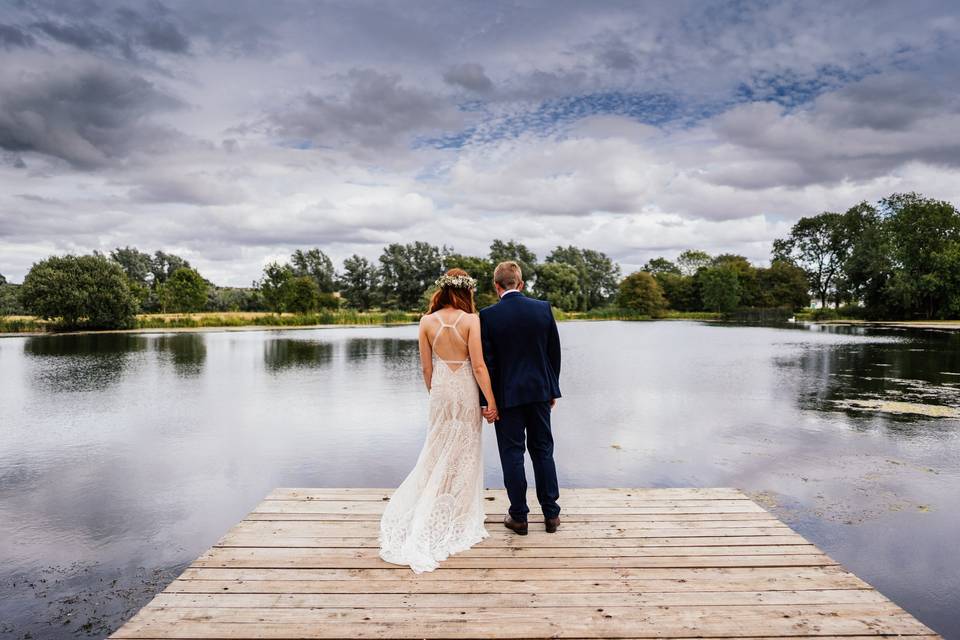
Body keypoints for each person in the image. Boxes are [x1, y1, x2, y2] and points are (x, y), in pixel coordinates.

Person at [379, 268, 497, 573]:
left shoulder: (426, 322)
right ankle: (457, 510)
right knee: (465, 449)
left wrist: (435, 393)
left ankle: (433, 499)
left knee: (438, 445)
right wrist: (491, 402)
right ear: (465, 291)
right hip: (466, 387)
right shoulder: (471, 320)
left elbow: (425, 369)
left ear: (441, 290)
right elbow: (480, 366)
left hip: (442, 388)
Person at [479, 261, 562, 536]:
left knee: (512, 454)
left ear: (496, 286)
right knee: (543, 451)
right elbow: (553, 353)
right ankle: (551, 515)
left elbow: (487, 363)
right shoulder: (542, 309)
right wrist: (551, 388)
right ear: (521, 283)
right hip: (539, 392)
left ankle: (519, 517)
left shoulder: (488, 316)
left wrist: (486, 400)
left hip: (507, 397)